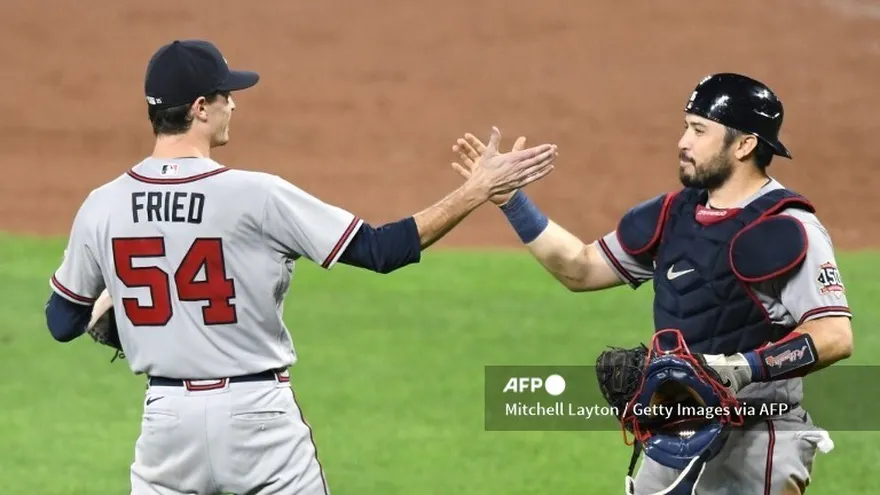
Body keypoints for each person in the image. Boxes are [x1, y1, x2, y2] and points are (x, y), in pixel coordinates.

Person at [43, 39, 558, 495]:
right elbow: (380, 251)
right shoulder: (256, 195)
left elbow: (62, 321)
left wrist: (127, 311)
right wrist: (474, 192)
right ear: (200, 109)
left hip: (166, 429)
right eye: (226, 95)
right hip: (258, 422)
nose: (234, 104)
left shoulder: (102, 205)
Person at [450, 73, 852, 495]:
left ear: (744, 144)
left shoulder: (788, 228)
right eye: (686, 127)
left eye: (699, 130)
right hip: (675, 432)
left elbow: (833, 335)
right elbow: (579, 268)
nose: (683, 141)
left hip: (755, 440)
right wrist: (512, 200)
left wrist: (740, 367)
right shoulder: (672, 217)